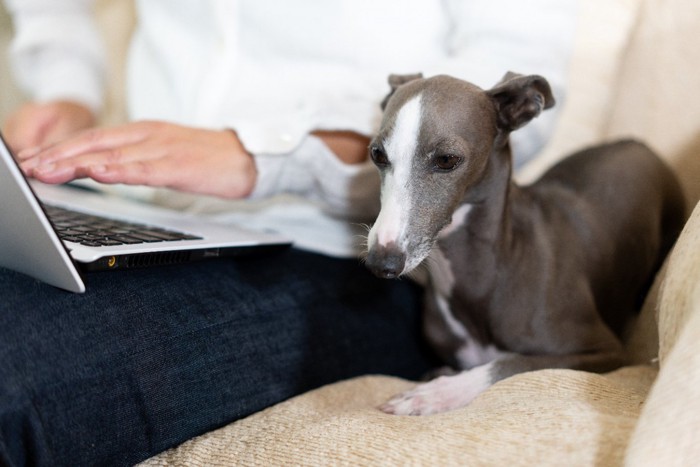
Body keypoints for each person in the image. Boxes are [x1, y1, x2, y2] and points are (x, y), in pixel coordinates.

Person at [0, 1, 579, 465]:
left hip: (328, 245)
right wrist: (67, 85)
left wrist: (268, 154)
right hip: (132, 202)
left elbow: (505, 108)